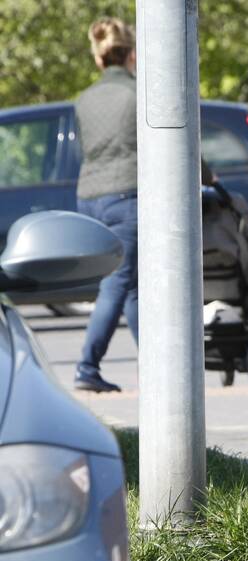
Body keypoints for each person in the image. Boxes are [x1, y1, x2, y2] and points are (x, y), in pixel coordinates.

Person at [73, 17, 139, 392]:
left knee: (128, 286)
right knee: (117, 286)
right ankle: (86, 367)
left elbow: (86, 149)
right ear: (131, 55)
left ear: (99, 61)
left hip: (90, 198)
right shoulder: (138, 94)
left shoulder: (84, 100)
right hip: (127, 196)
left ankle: (154, 365)